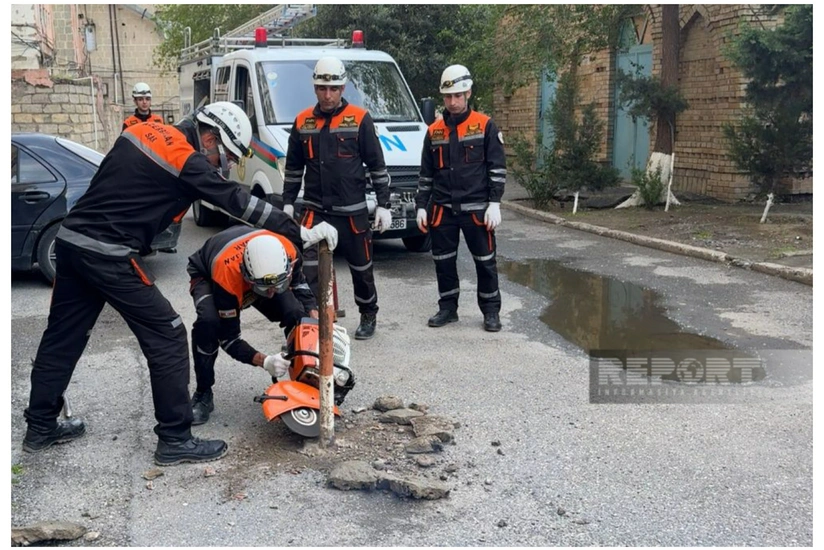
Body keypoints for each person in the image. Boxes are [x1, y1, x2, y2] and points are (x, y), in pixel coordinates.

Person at [22, 101, 338, 466]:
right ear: (210, 137)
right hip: (108, 252)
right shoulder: (184, 156)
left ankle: (40, 427)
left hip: (72, 240)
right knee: (169, 335)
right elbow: (237, 201)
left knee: (63, 337)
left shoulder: (140, 130)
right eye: (226, 157)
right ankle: (174, 437)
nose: (223, 166)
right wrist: (299, 231)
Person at [282, 56, 392, 341]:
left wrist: (383, 204)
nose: (327, 95)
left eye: (333, 89)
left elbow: (377, 166)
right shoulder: (302, 121)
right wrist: (287, 202)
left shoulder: (360, 119)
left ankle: (368, 315)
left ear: (342, 88)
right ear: (315, 88)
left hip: (352, 211)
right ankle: (314, 316)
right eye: (321, 88)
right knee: (306, 266)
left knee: (361, 267)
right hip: (315, 210)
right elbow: (294, 168)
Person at [186, 226, 318, 425]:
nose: (273, 293)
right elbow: (229, 339)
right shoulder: (227, 276)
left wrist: (314, 321)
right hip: (208, 273)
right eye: (266, 289)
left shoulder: (290, 251)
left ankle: (306, 377)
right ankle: (203, 392)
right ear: (246, 276)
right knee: (209, 324)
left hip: (262, 271)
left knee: (297, 314)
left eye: (279, 286)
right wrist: (265, 362)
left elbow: (299, 285)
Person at [414, 64, 507, 332]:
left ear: (468, 93)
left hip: (477, 209)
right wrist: (421, 206)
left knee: (485, 262)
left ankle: (491, 311)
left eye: (458, 95)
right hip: (442, 210)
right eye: (448, 96)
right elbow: (426, 173)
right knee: (443, 261)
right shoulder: (434, 131)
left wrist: (494, 203)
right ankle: (448, 308)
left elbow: (497, 168)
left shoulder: (485, 125)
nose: (452, 102)